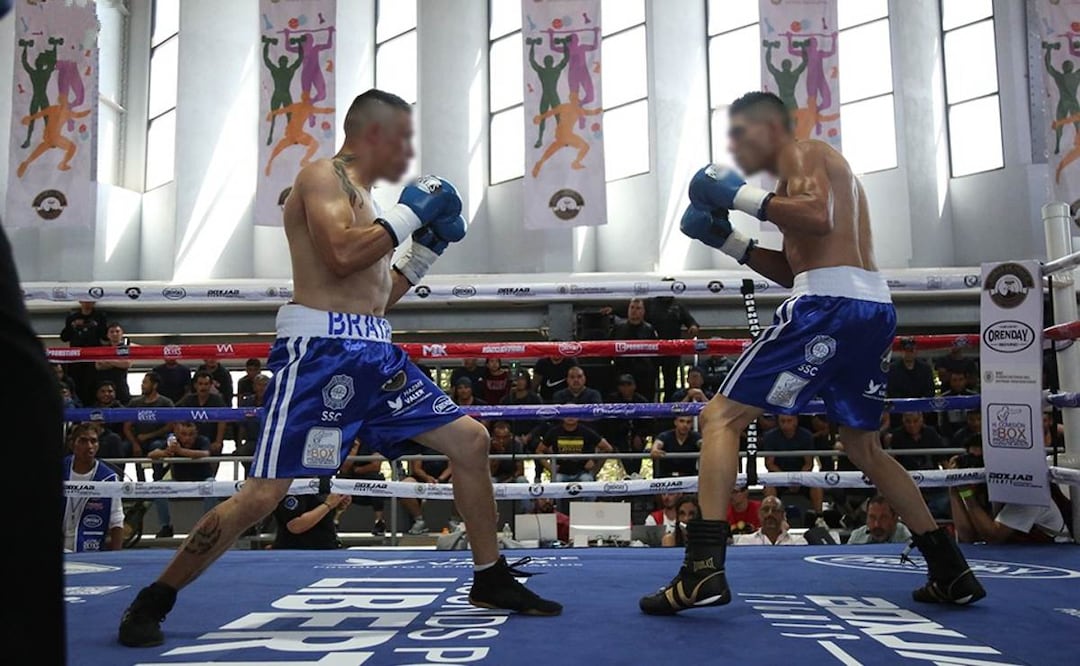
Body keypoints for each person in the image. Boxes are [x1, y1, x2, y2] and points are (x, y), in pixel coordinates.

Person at [118, 89, 560, 648]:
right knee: (264, 494)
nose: (406, 151)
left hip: (374, 350)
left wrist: (425, 250)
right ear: (372, 132)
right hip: (321, 356)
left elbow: (377, 298)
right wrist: (412, 215)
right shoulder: (321, 177)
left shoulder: (374, 207)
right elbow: (341, 257)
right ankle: (155, 597)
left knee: (470, 441)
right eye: (400, 137)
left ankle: (490, 577)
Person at [640, 91, 983, 616]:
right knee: (863, 445)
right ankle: (950, 569)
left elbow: (817, 219)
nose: (736, 145)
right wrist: (731, 242)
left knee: (718, 418)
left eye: (742, 132)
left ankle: (701, 570)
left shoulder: (803, 153)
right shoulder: (802, 178)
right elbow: (801, 263)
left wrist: (736, 198)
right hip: (868, 308)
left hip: (829, 306)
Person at [146, 421, 215, 538]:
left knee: (213, 485)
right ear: (178, 434)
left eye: (191, 434)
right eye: (184, 434)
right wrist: (164, 452)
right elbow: (151, 454)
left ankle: (207, 525)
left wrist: (180, 451)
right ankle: (165, 526)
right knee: (157, 487)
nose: (187, 438)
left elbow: (205, 453)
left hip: (202, 479)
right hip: (179, 481)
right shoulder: (173, 442)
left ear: (196, 434)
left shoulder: (203, 440)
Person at [62, 423, 124, 552]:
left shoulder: (108, 477)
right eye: (83, 441)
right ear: (72, 444)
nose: (89, 446)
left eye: (93, 441)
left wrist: (117, 556)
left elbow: (116, 519)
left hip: (88, 550)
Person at [537, 417, 614, 484]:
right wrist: (550, 467)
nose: (570, 417)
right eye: (567, 414)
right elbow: (539, 451)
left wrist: (594, 460)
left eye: (573, 414)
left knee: (588, 481)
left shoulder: (586, 431)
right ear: (562, 416)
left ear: (578, 416)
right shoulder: (554, 432)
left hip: (583, 472)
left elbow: (608, 448)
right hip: (561, 473)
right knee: (556, 484)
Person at [59, 300, 108, 406]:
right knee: (76, 385)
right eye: (84, 300)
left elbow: (105, 336)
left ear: (94, 302)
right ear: (80, 301)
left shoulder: (99, 316)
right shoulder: (73, 317)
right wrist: (73, 326)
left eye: (89, 301)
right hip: (76, 359)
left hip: (93, 359)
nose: (87, 303)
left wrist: (95, 326)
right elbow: (64, 337)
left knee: (92, 386)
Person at [601, 374, 651, 477]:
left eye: (629, 384)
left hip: (637, 436)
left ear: (634, 386)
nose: (626, 388)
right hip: (618, 436)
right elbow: (607, 422)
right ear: (618, 387)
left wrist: (640, 435)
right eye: (622, 385)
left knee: (637, 458)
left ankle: (636, 477)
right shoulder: (612, 400)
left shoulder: (641, 401)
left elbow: (648, 423)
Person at [610, 298, 660, 400]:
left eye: (638, 308)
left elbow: (656, 355)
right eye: (632, 307)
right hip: (622, 371)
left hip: (643, 375)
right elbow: (609, 348)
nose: (634, 311)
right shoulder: (619, 328)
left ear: (643, 311)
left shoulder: (649, 329)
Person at [272, 488, 351, 550]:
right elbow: (295, 525)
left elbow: (321, 519)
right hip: (299, 552)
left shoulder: (323, 482)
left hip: (326, 548)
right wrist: (328, 505)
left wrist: (337, 508)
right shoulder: (296, 486)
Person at [733, 496, 807, 546]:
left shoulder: (798, 542)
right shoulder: (746, 542)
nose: (770, 514)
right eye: (766, 510)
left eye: (775, 510)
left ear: (783, 515)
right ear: (759, 514)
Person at [847, 495, 912, 545]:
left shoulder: (905, 540)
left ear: (895, 518)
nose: (877, 524)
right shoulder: (856, 537)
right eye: (872, 518)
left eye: (883, 518)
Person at [94, 322, 132, 405]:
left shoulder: (125, 348)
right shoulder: (103, 349)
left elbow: (127, 363)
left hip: (121, 386)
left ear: (122, 333)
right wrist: (117, 362)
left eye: (117, 331)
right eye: (112, 331)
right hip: (104, 386)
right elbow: (98, 365)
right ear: (107, 335)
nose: (115, 334)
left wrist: (108, 361)